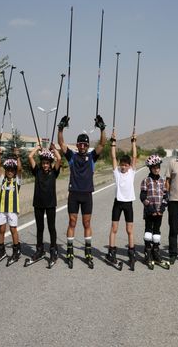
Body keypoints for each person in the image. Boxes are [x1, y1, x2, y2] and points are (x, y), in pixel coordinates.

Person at [57, 114, 107, 267]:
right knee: (72, 222)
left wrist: (102, 129)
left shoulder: (92, 157)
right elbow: (61, 143)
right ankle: (70, 250)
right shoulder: (72, 156)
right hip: (74, 194)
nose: (83, 147)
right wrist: (60, 129)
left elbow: (102, 144)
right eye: (80, 144)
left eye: (85, 145)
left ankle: (88, 251)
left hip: (86, 195)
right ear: (77, 145)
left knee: (86, 223)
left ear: (87, 146)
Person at [106, 131, 138, 267]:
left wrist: (133, 142)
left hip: (128, 204)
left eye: (126, 165)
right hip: (118, 203)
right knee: (114, 228)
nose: (123, 167)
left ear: (130, 166)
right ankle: (111, 252)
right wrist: (113, 142)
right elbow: (113, 157)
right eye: (122, 165)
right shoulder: (117, 173)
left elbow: (134, 155)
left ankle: (131, 254)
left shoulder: (131, 172)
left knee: (129, 230)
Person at [28, 144, 62, 263]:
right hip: (38, 204)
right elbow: (30, 157)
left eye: (47, 163)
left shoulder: (54, 172)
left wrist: (54, 149)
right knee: (40, 228)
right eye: (43, 163)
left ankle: (53, 249)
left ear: (50, 163)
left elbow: (59, 159)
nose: (45, 165)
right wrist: (37, 148)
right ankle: (40, 249)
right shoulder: (37, 171)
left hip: (51, 204)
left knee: (51, 228)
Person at [0, 147, 23, 264]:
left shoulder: (17, 181)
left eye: (12, 170)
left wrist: (18, 156)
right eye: (8, 170)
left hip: (12, 210)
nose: (10, 172)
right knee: (1, 229)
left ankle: (16, 251)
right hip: (2, 209)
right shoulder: (2, 180)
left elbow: (20, 169)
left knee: (13, 229)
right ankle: (1, 250)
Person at [140, 154, 169, 266]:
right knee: (148, 231)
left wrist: (162, 208)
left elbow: (166, 196)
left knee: (157, 232)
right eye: (154, 168)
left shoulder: (162, 181)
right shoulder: (146, 181)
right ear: (150, 168)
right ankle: (147, 252)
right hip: (149, 211)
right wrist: (151, 208)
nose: (156, 169)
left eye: (158, 167)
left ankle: (156, 251)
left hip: (159, 211)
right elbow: (142, 197)